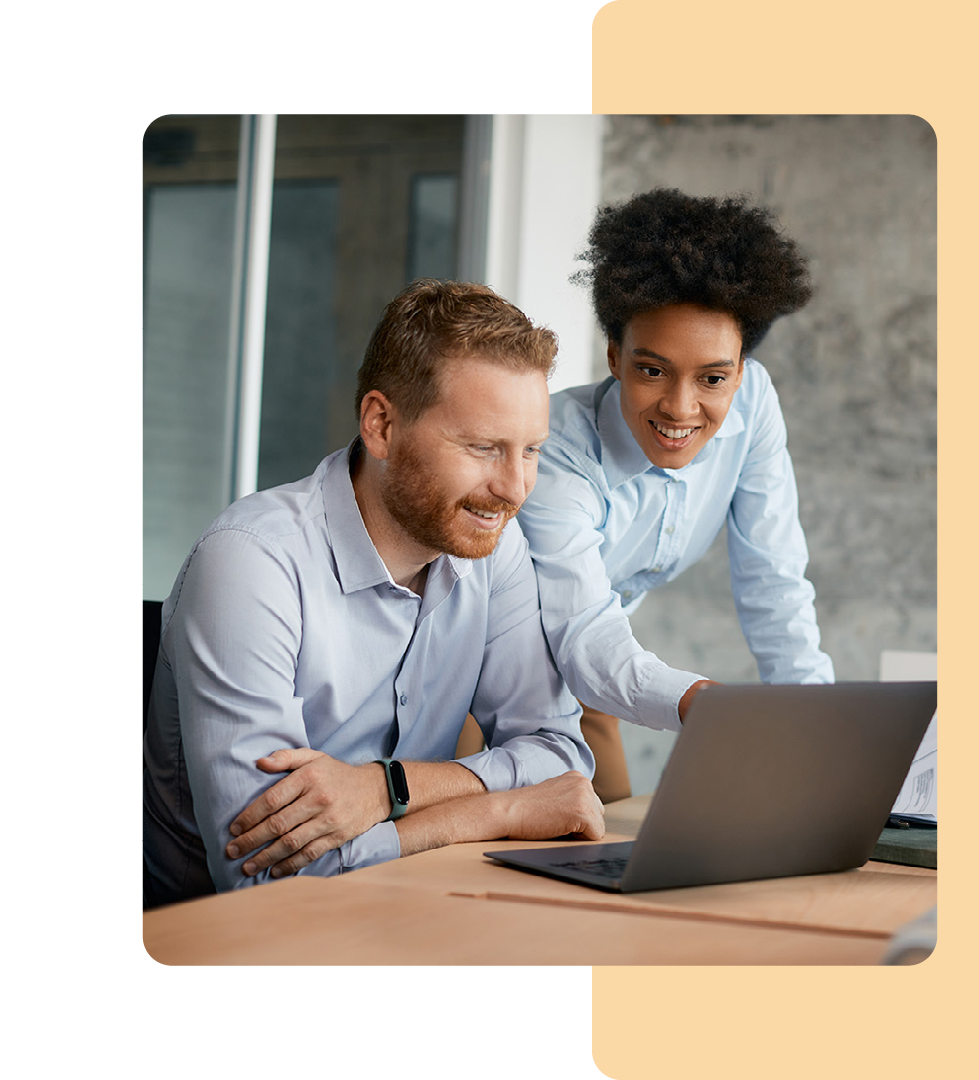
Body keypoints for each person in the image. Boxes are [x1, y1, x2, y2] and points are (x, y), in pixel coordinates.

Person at [142, 279, 602, 908]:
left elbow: (559, 754)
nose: (514, 488)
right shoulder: (251, 563)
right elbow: (264, 877)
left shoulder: (494, 543)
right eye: (482, 448)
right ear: (382, 425)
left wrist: (385, 790)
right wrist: (496, 812)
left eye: (531, 452)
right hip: (229, 950)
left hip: (409, 911)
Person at [515, 189, 835, 802]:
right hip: (490, 676)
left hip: (601, 672)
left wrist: (820, 725)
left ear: (740, 371)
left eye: (713, 378)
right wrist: (701, 704)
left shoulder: (754, 404)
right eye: (652, 370)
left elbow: (775, 581)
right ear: (614, 355)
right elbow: (580, 630)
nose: (681, 408)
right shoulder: (554, 451)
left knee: (612, 847)